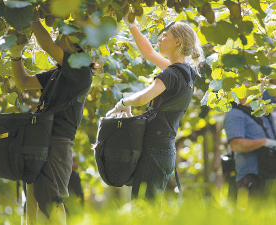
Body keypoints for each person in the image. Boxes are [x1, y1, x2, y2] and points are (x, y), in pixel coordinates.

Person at [106, 18, 204, 199]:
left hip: (154, 150)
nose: (159, 38)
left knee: (144, 208)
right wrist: (131, 25)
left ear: (177, 42)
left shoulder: (170, 73)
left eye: (164, 35)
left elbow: (144, 97)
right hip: (165, 149)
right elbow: (149, 52)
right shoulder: (185, 72)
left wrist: (122, 103)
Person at [10, 20, 93, 224]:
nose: (57, 35)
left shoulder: (81, 71)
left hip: (56, 143)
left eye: (63, 33)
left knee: (50, 202)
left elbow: (47, 45)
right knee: (33, 202)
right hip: (39, 139)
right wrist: (15, 55)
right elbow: (23, 82)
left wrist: (29, 14)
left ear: (76, 45)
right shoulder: (57, 74)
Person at [224, 91, 276, 196]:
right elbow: (236, 145)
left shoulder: (261, 109)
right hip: (251, 176)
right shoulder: (234, 113)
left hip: (270, 173)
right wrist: (264, 142)